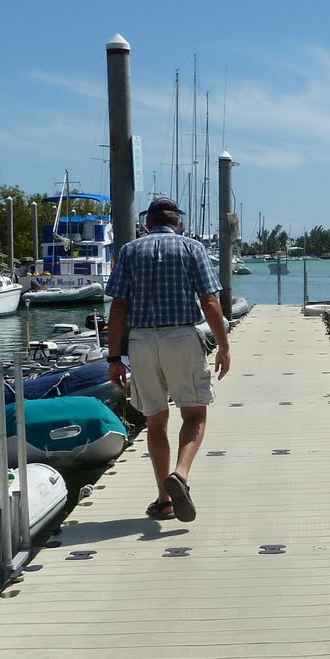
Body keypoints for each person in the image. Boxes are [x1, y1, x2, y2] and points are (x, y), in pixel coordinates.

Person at [104, 197, 231, 522]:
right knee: (194, 416)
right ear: (179, 223)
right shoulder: (192, 249)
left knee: (156, 421)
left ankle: (165, 500)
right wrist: (223, 345)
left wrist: (114, 357)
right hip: (181, 338)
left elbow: (118, 308)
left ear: (147, 223)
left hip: (142, 341)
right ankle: (181, 475)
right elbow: (209, 300)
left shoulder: (130, 251)